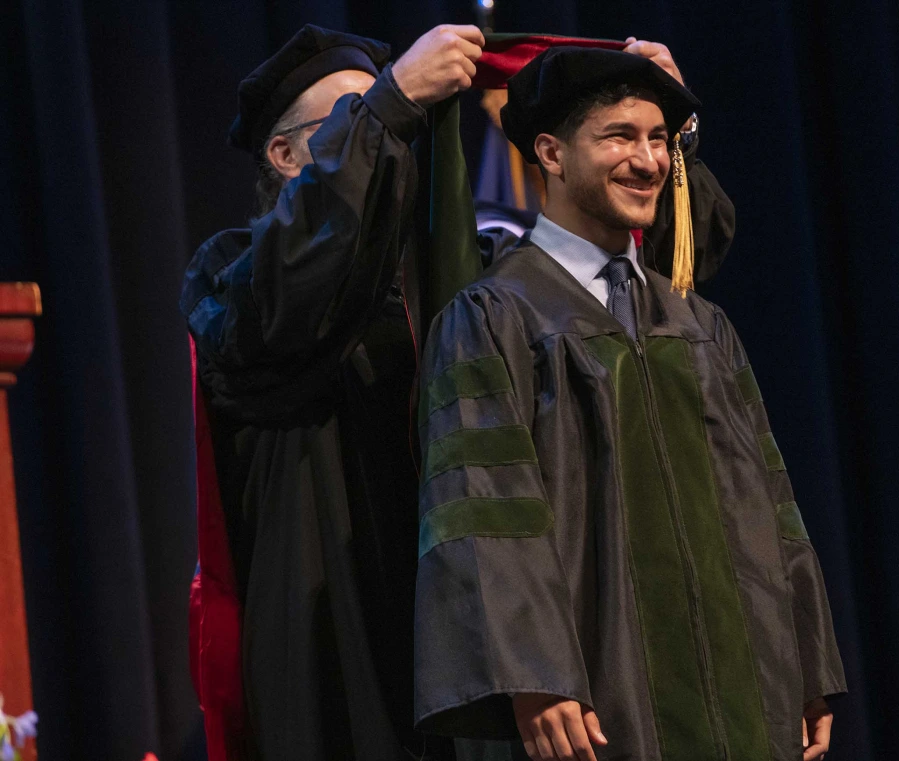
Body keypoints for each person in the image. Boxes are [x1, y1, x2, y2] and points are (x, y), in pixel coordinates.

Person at [180, 23, 737, 761]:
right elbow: (302, 282)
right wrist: (394, 103)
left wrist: (659, 129)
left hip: (476, 638)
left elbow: (639, 287)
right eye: (357, 115)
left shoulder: (469, 274)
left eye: (386, 116)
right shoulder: (237, 275)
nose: (384, 130)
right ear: (284, 155)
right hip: (332, 630)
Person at [413, 47, 847, 761]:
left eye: (658, 139)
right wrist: (533, 674)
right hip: (588, 699)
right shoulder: (494, 317)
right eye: (620, 136)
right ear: (550, 154)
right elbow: (484, 505)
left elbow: (770, 502)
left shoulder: (699, 324)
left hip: (742, 690)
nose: (647, 161)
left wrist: (808, 658)